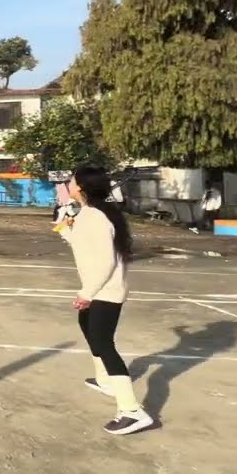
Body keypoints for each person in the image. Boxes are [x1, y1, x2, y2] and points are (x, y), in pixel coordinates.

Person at [59, 165, 152, 436]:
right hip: (101, 289)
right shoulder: (91, 214)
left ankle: (132, 411)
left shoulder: (96, 217)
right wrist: (64, 226)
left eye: (72, 180)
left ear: (82, 187)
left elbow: (105, 261)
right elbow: (83, 243)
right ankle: (105, 381)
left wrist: (87, 293)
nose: (68, 183)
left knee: (103, 342)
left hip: (105, 291)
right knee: (87, 325)